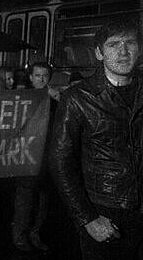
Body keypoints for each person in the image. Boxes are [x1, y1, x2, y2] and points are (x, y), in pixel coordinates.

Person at [49, 18, 143, 260]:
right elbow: (60, 162)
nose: (123, 52)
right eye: (114, 45)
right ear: (99, 53)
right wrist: (87, 218)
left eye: (130, 43)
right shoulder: (78, 98)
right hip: (106, 213)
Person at [12, 62, 56, 252]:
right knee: (26, 198)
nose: (41, 79)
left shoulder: (55, 99)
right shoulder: (21, 99)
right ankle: (20, 236)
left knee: (43, 199)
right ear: (30, 78)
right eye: (37, 75)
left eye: (45, 76)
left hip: (47, 157)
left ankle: (35, 233)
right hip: (27, 155)